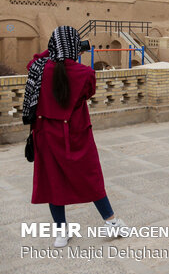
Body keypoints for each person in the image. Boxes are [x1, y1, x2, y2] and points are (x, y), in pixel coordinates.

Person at [23, 26, 126, 248]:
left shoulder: (38, 68)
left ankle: (61, 231)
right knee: (91, 178)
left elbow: (35, 59)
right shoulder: (85, 74)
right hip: (76, 135)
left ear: (53, 45)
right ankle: (112, 223)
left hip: (46, 136)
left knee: (53, 183)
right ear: (74, 46)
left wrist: (53, 52)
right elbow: (87, 94)